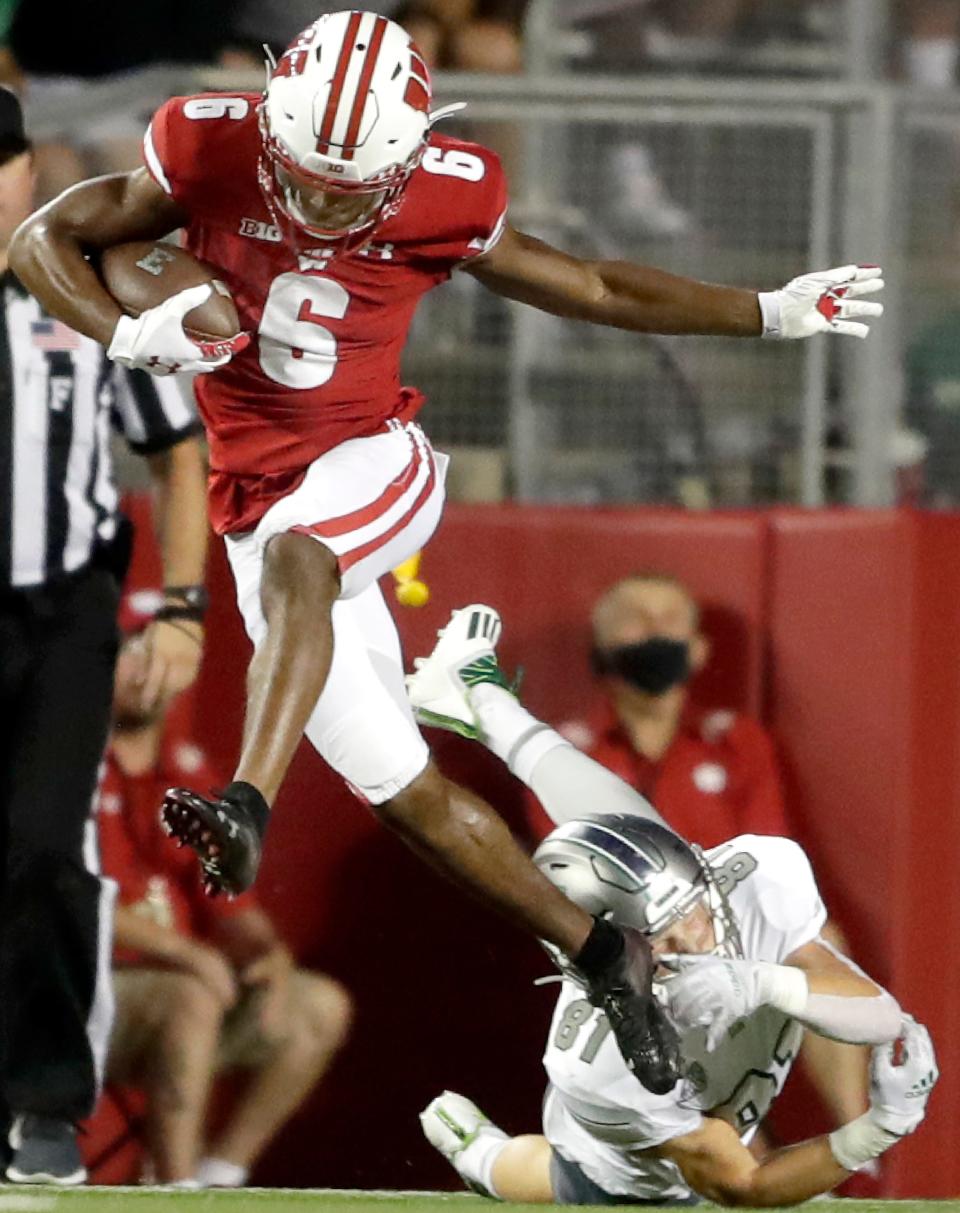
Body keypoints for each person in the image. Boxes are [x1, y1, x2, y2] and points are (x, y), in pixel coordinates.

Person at [8, 11, 883, 1099]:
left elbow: (596, 286)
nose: (324, 204)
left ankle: (247, 802)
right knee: (406, 789)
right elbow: (41, 237)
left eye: (349, 186)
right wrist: (120, 327)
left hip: (376, 458)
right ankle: (603, 955)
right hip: (255, 501)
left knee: (302, 557)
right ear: (274, 121)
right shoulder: (203, 140)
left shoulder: (445, 191)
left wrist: (767, 312)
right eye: (309, 177)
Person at [408, 606, 938, 1206]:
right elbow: (746, 1184)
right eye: (661, 938)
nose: (694, 939)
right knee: (581, 1183)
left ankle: (482, 700)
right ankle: (483, 1155)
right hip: (633, 1157)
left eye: (694, 909)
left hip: (703, 1027)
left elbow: (880, 1017)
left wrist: (765, 983)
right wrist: (875, 1130)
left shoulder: (756, 874)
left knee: (636, 845)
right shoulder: (597, 1067)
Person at [0, 87, 208, 1184]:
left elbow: (177, 450)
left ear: (27, 174)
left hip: (63, 610)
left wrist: (182, 605)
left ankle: (42, 1107)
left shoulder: (89, 287)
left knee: (43, 845)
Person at [547, 571, 873, 1159]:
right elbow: (569, 877)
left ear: (698, 650)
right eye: (635, 618)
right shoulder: (566, 752)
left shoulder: (737, 742)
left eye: (669, 619)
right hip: (626, 954)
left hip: (730, 938)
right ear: (601, 647)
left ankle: (862, 1144)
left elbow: (765, 865)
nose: (653, 631)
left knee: (821, 941)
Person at [98, 594, 352, 1187]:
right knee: (191, 995)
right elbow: (75, 899)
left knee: (317, 1007)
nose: (144, 665)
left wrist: (267, 953)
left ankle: (220, 1176)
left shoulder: (186, 772)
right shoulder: (62, 764)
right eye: (126, 648)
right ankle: (175, 1189)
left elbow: (233, 906)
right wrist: (191, 956)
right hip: (87, 994)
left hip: (192, 989)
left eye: (154, 647)